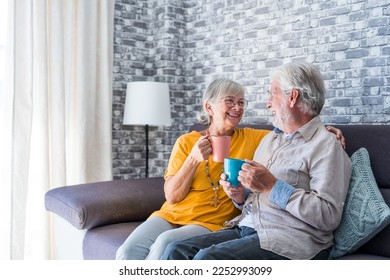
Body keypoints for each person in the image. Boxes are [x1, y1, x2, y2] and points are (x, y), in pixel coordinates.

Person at [161, 61, 352, 260]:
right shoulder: (270, 139)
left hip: (291, 238)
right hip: (248, 227)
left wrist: (272, 186)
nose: (268, 104)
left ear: (293, 97)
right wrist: (239, 195)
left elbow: (328, 215)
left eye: (272, 94)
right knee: (176, 250)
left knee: (207, 260)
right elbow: (252, 196)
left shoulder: (327, 145)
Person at [115, 78, 270, 259]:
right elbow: (172, 196)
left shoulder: (252, 137)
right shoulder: (186, 141)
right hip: (170, 215)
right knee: (127, 251)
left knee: (166, 242)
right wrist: (193, 159)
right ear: (209, 107)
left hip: (211, 221)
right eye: (230, 101)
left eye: (241, 102)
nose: (237, 107)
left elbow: (287, 133)